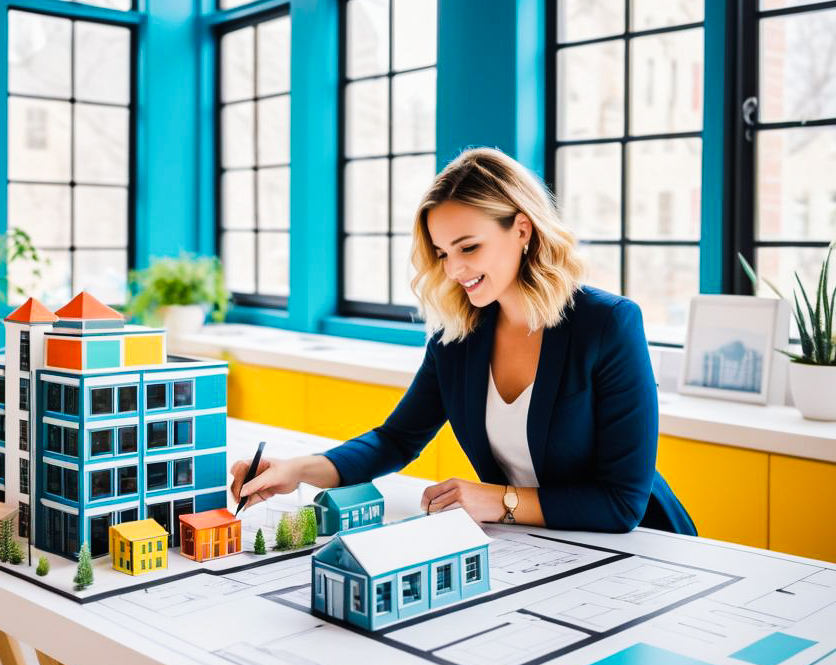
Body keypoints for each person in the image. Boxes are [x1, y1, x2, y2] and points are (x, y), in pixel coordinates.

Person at [230, 147, 696, 535]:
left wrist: (498, 500)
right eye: (442, 253)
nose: (454, 270)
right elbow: (394, 441)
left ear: (522, 229)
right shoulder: (458, 336)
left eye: (469, 247)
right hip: (539, 545)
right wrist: (296, 471)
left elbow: (621, 504)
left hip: (642, 547)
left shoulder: (608, 324)